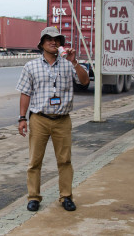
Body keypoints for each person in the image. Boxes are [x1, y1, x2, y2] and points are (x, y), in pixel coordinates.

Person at [16, 26, 90, 212]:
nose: (53, 42)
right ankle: (33, 197)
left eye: (57, 39)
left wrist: (75, 62)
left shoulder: (68, 64)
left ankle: (66, 197)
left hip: (62, 120)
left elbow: (85, 81)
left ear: (60, 44)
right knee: (35, 161)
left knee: (65, 161)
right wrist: (22, 118)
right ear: (41, 43)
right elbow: (25, 93)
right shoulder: (30, 66)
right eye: (48, 39)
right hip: (39, 119)